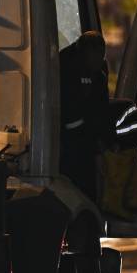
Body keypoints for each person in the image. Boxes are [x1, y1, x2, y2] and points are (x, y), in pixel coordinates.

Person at [59, 30, 112, 200]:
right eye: (95, 57)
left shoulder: (99, 75)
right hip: (69, 141)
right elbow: (71, 116)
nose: (99, 62)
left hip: (86, 137)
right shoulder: (65, 67)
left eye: (101, 56)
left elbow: (101, 109)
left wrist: (107, 140)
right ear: (83, 53)